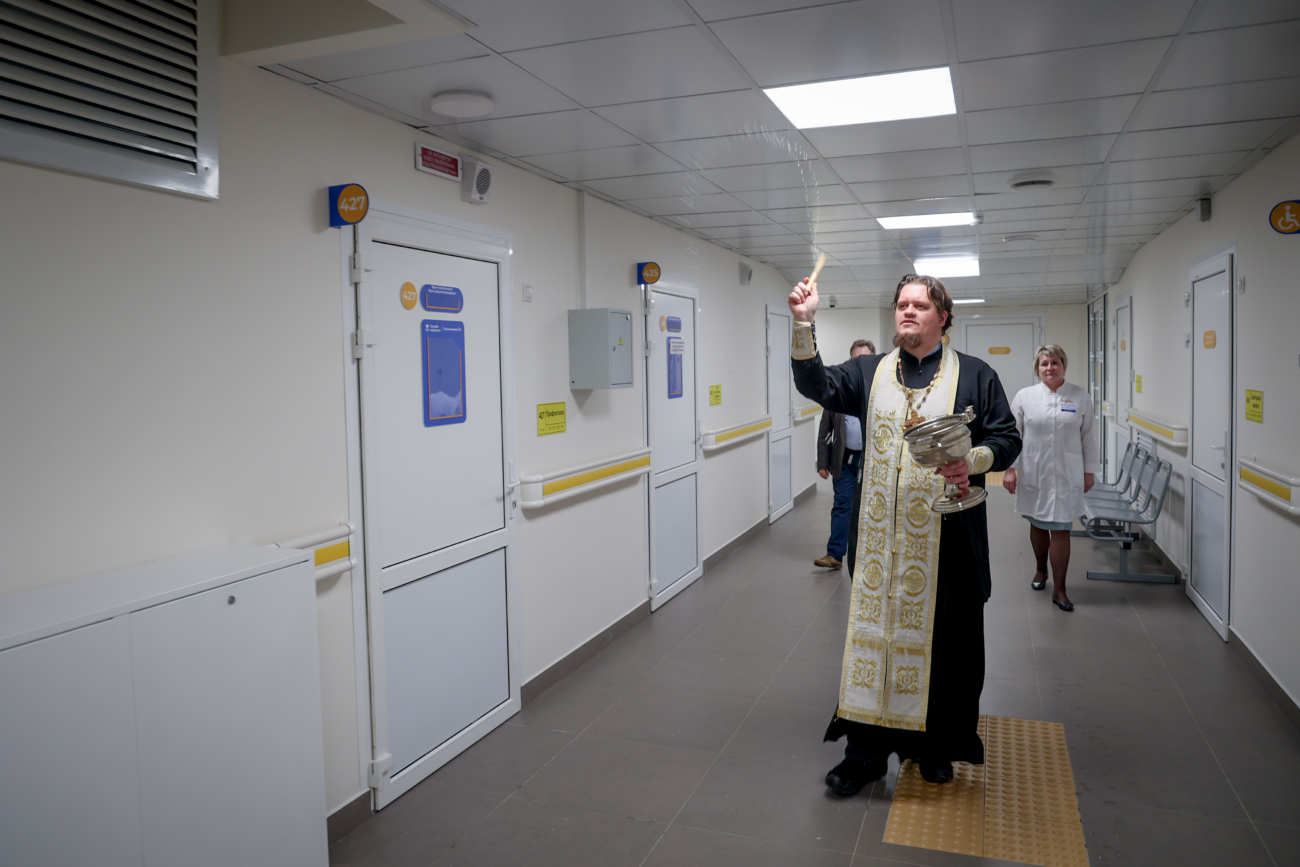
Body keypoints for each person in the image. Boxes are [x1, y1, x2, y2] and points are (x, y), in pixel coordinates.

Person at [788, 273, 1020, 793]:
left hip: (949, 541)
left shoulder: (975, 375)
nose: (908, 311)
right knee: (874, 640)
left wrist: (973, 460)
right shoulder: (869, 372)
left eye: (920, 305)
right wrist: (804, 323)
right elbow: (815, 385)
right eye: (901, 304)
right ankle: (864, 753)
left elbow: (1006, 438)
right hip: (878, 543)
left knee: (945, 647)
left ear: (943, 317)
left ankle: (933, 747)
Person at [1003, 346, 1100, 612]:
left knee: (1061, 528)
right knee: (1037, 523)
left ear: (1063, 366)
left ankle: (1060, 589)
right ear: (1038, 368)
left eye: (1055, 362)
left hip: (1067, 473)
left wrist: (1089, 471)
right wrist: (1010, 469)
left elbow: (1089, 436)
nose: (1049, 368)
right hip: (1035, 470)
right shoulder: (1025, 397)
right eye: (1044, 363)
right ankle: (1040, 569)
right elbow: (1012, 435)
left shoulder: (1080, 396)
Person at [814, 339, 876, 570]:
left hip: (872, 461)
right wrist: (823, 463)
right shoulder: (839, 392)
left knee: (872, 507)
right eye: (855, 359)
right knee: (842, 506)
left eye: (864, 358)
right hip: (846, 461)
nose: (859, 363)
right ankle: (835, 555)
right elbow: (825, 432)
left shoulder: (880, 390)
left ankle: (868, 554)